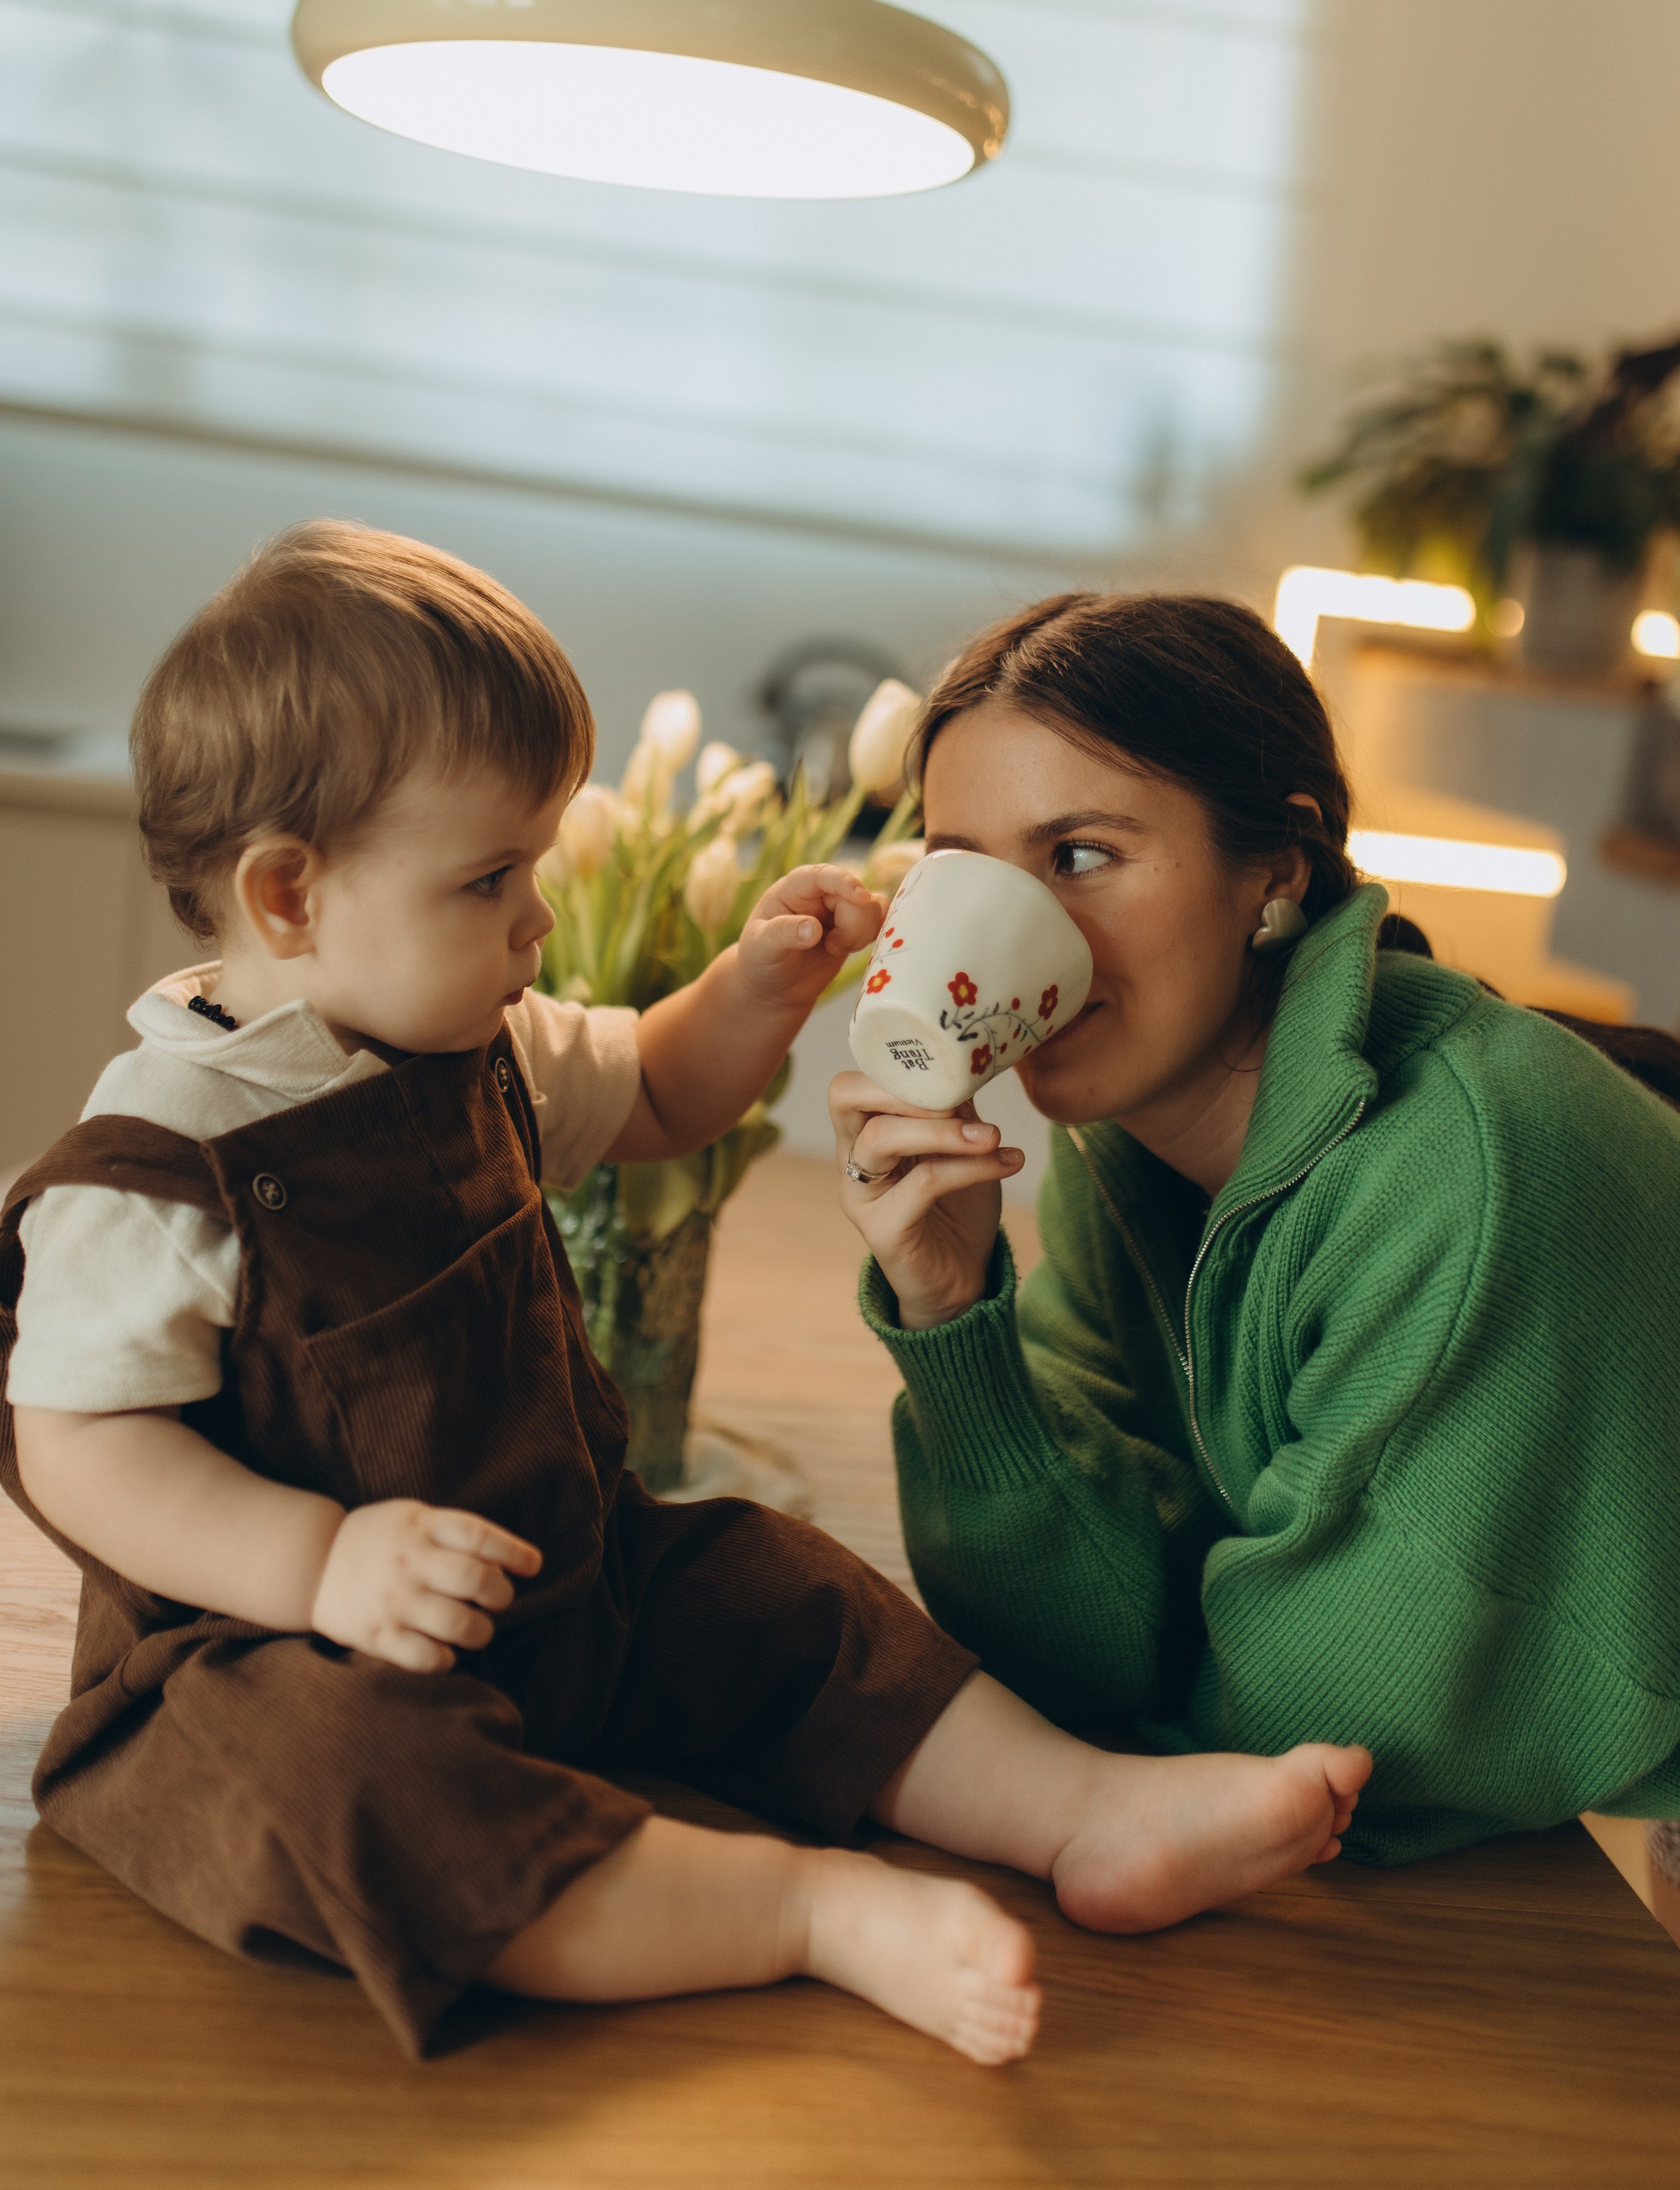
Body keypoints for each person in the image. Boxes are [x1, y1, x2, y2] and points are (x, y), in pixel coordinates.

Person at [0, 528, 1370, 2066]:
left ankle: (1085, 1808)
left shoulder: (470, 1036)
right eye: (491, 880)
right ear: (289, 896)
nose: (534, 922)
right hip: (269, 1654)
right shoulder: (152, 1165)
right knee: (351, 1786)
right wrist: (317, 1566)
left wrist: (754, 992)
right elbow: (79, 1450)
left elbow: (654, 1090)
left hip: (562, 1580)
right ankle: (802, 1912)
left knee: (779, 1589)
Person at [832, 591, 1680, 1865]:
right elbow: (1078, 1643)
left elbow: (1313, 1744)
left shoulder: (1457, 1175)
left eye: (1078, 857)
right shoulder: (1124, 1149)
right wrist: (955, 1322)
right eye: (961, 870)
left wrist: (1039, 1790)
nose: (1024, 937)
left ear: (1274, 871)